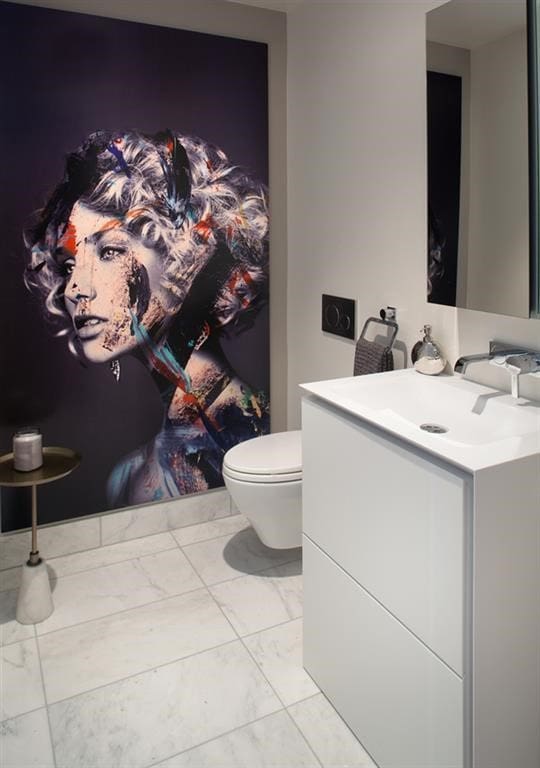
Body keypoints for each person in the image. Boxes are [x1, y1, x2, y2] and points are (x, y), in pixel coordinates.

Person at [24, 129, 270, 506]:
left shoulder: (243, 443)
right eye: (70, 264)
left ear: (186, 256)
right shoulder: (135, 470)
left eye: (109, 252)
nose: (75, 288)